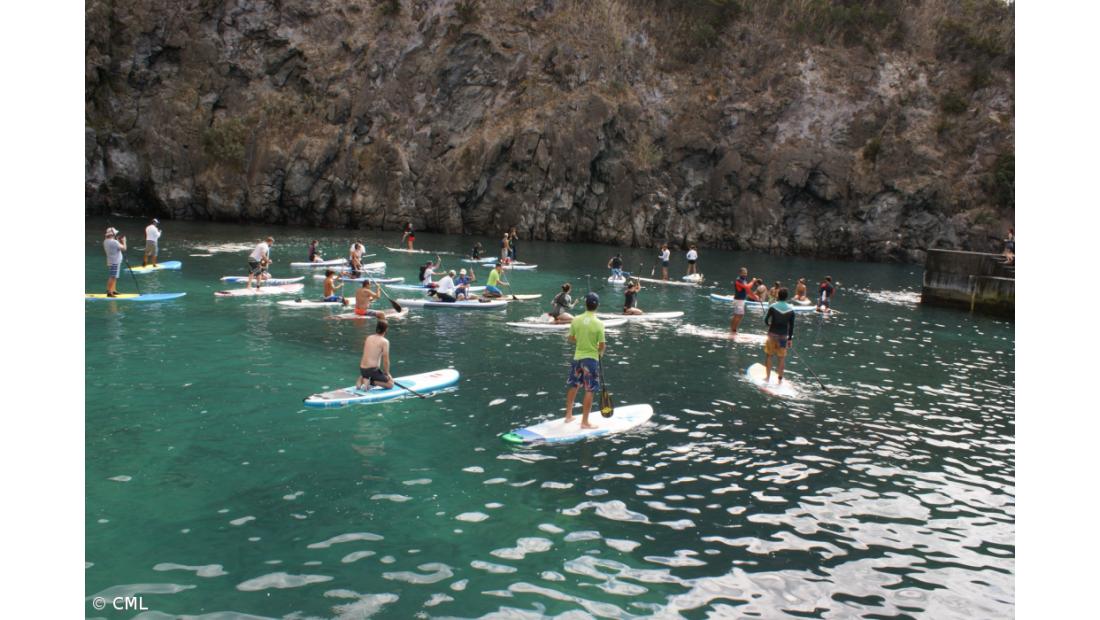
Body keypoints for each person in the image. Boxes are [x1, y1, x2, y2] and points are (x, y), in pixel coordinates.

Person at [564, 292, 606, 430]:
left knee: (574, 385)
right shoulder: (599, 323)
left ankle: (568, 416)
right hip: (591, 360)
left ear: (585, 304)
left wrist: (580, 341)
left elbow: (570, 338)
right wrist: (600, 354)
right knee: (590, 389)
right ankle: (585, 422)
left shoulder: (576, 319)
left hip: (577, 358)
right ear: (597, 305)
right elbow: (601, 346)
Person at [763, 288, 795, 384]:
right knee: (781, 358)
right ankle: (779, 380)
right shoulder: (791, 309)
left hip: (772, 334)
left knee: (769, 355)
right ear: (786, 297)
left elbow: (765, 320)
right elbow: (792, 326)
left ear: (778, 295)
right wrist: (789, 339)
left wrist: (769, 325)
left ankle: (767, 378)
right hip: (783, 337)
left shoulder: (772, 307)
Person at [357, 320, 394, 391]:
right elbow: (386, 361)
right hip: (372, 370)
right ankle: (370, 382)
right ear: (386, 330)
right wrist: (387, 373)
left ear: (376, 328)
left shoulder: (369, 337)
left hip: (362, 369)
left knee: (370, 372)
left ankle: (363, 378)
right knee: (390, 384)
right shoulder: (385, 341)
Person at [103, 227, 127, 297]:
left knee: (114, 276)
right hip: (115, 261)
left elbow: (115, 246)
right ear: (112, 234)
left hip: (111, 260)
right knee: (113, 276)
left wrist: (118, 241)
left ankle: (113, 290)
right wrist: (124, 241)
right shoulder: (114, 242)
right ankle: (109, 292)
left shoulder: (105, 241)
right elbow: (124, 248)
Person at [730, 267, 752, 335]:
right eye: (744, 273)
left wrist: (752, 296)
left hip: (741, 300)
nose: (745, 274)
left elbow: (746, 290)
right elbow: (747, 287)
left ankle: (733, 329)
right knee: (738, 315)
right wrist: (753, 281)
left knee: (738, 315)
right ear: (740, 273)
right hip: (739, 300)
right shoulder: (739, 280)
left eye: (746, 273)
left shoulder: (744, 280)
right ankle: (733, 330)